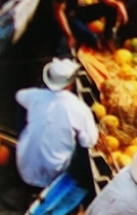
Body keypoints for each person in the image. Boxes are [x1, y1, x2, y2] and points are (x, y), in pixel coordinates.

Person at [15, 59, 98, 189]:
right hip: (53, 174)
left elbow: (19, 96)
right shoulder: (79, 108)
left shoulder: (35, 96)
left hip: (24, 167)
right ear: (70, 84)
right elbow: (89, 141)